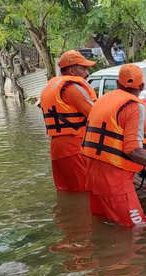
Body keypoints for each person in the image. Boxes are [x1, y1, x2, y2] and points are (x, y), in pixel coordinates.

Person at [81, 64, 146, 228]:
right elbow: (133, 150)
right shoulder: (135, 106)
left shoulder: (103, 99)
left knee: (102, 224)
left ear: (118, 84)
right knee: (136, 229)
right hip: (115, 179)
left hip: (93, 174)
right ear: (142, 86)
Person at [39, 50, 97, 192]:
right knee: (85, 192)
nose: (87, 73)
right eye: (83, 68)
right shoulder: (72, 88)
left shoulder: (51, 87)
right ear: (71, 70)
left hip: (57, 149)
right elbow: (97, 115)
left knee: (67, 191)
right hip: (74, 147)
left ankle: (68, 214)